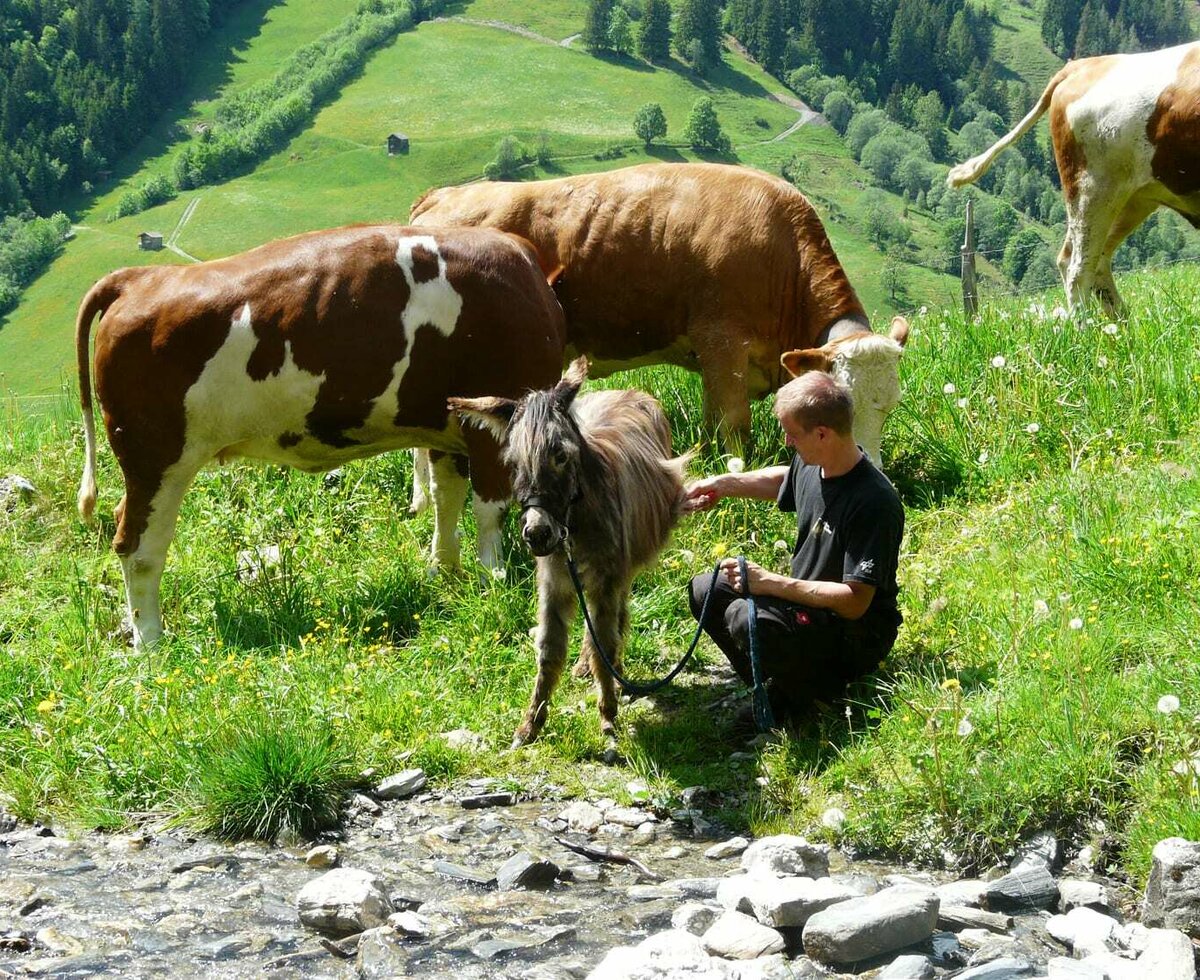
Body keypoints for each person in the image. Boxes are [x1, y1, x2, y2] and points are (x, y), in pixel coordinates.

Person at [682, 371, 904, 723]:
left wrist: (769, 583)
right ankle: (778, 684)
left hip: (852, 634)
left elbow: (855, 602)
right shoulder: (814, 460)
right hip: (807, 606)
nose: (787, 441)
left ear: (822, 434)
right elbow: (787, 478)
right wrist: (723, 484)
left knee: (747, 619)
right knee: (706, 589)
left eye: (792, 434)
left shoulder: (874, 502)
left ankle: (805, 696)